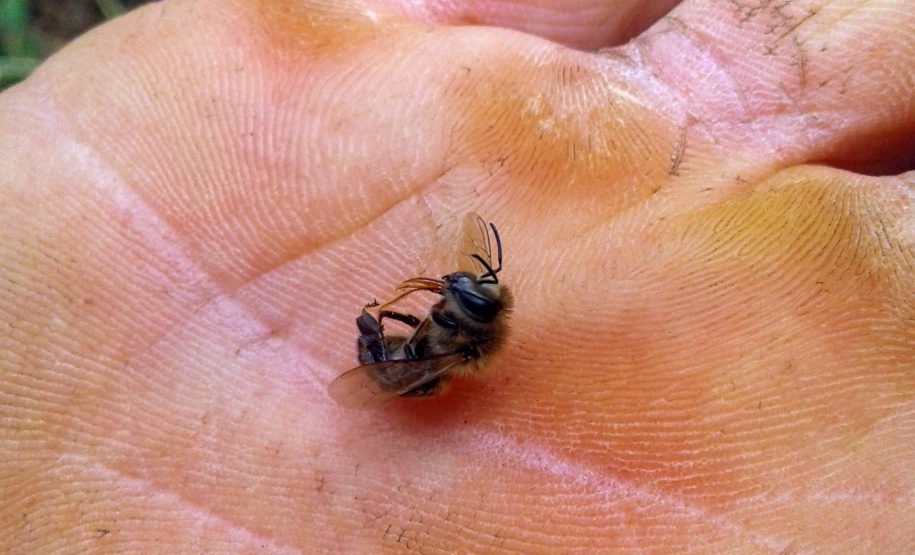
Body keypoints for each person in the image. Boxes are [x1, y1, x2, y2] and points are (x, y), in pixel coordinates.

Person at [1, 0, 912, 551]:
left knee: (388, 355)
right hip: (420, 367)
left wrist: (410, 339)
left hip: (411, 378)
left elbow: (442, 341)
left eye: (462, 295)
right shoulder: (466, 309)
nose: (456, 287)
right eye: (463, 290)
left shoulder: (445, 345)